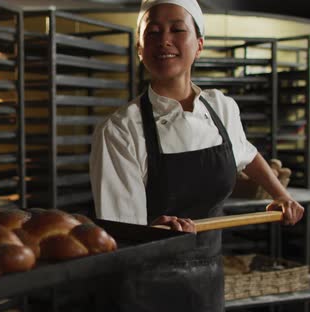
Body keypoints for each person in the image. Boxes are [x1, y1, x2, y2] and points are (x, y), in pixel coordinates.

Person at [89, 0, 305, 311]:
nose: (164, 40)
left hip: (207, 277)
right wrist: (157, 232)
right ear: (139, 48)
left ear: (199, 45)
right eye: (152, 32)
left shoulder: (221, 108)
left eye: (177, 29)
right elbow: (121, 231)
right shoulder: (121, 130)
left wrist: (281, 194)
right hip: (147, 284)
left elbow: (247, 153)